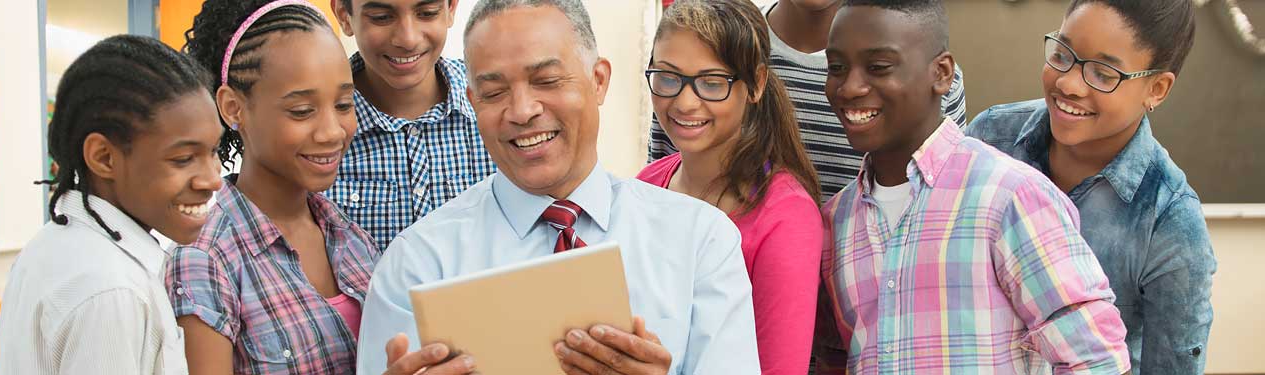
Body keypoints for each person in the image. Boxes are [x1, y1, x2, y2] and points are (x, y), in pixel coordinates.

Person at [357, 1, 759, 374]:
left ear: (598, 80)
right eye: (494, 92)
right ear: (473, 101)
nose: (522, 111)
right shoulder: (418, 265)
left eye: (546, 80)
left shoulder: (701, 241)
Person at [812, 0, 1132, 373]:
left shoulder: (1011, 197)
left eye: (879, 67)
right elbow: (836, 359)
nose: (850, 87)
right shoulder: (835, 222)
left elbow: (1097, 361)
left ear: (942, 73)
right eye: (836, 68)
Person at [964, 0, 1215, 373]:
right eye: (1062, 54)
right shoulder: (990, 138)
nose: (1067, 83)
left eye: (1102, 73)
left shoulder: (1169, 221)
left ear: (1157, 89)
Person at [163, 0, 380, 373]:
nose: (332, 132)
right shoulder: (205, 260)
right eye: (301, 111)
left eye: (344, 104)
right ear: (233, 108)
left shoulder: (352, 238)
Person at [0, 34, 221, 374]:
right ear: (104, 158)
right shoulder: (112, 290)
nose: (213, 179)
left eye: (214, 151)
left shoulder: (58, 244)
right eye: (184, 158)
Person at [634, 0, 821, 373]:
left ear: (757, 83)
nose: (685, 102)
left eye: (712, 83)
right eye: (668, 77)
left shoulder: (786, 219)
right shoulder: (646, 186)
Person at [648, 0, 967, 198]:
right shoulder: (713, 48)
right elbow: (664, 178)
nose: (854, 87)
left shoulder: (922, 77)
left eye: (877, 67)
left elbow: (944, 197)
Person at [326, 0, 496, 248]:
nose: (408, 39)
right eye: (382, 17)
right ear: (344, 15)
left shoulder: (495, 106)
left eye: (426, 13)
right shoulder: (318, 133)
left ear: (450, 9)